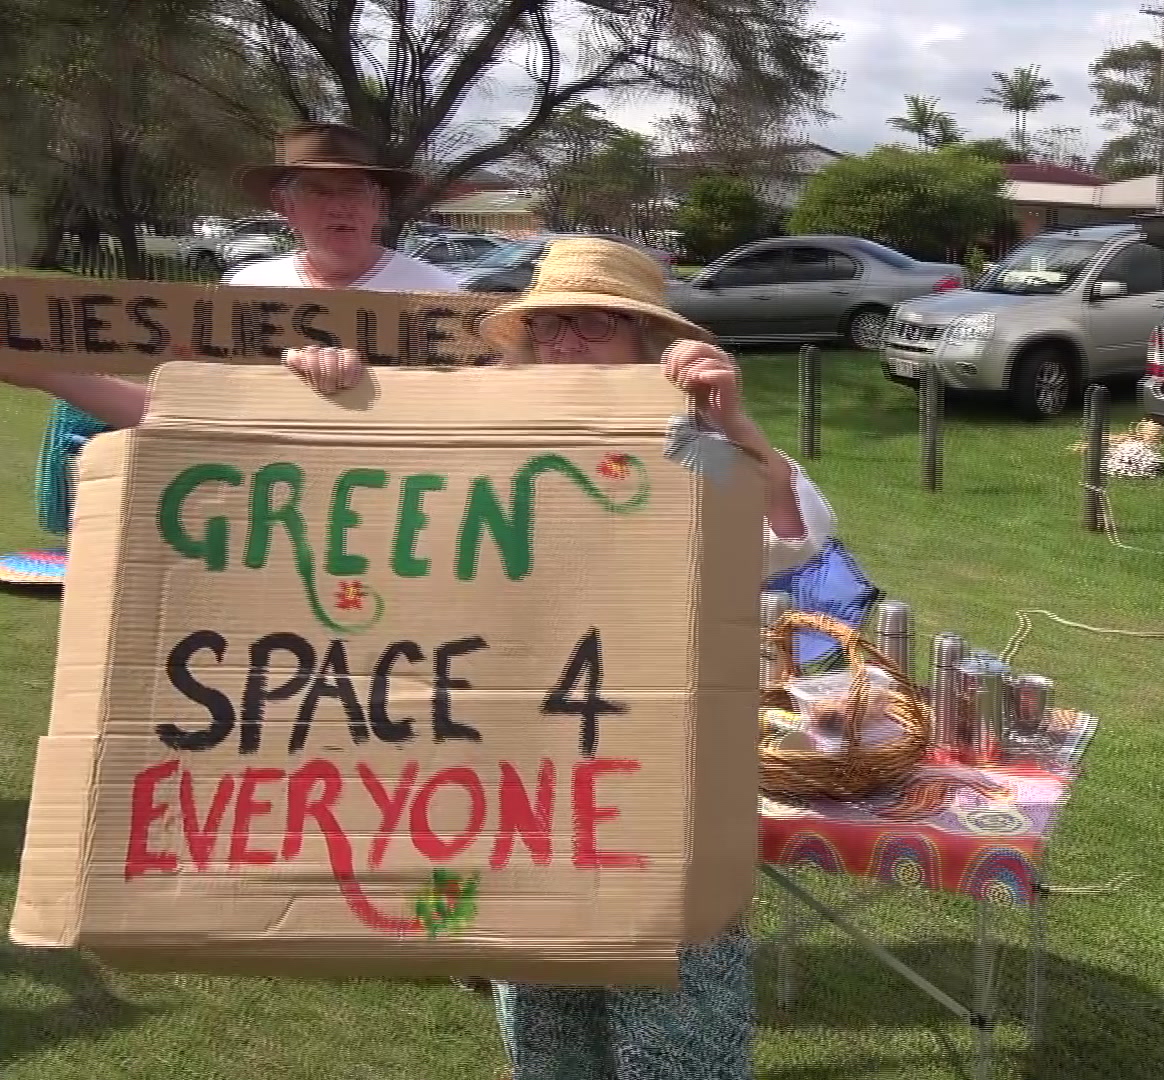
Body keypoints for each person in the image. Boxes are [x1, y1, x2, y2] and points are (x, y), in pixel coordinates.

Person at [285, 235, 833, 1080]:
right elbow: (368, 498)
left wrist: (732, 422)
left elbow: (789, 537)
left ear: (645, 343)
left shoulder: (684, 444)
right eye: (549, 327)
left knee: (679, 1044)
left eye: (595, 323)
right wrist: (337, 394)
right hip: (517, 787)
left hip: (662, 792)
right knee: (545, 1037)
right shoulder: (491, 436)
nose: (568, 343)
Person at [0, 121, 460, 428]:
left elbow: (465, 415)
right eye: (317, 191)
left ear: (378, 205)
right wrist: (51, 376)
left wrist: (370, 383)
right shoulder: (241, 292)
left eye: (354, 191)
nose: (338, 206)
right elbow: (182, 410)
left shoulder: (435, 294)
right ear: (285, 208)